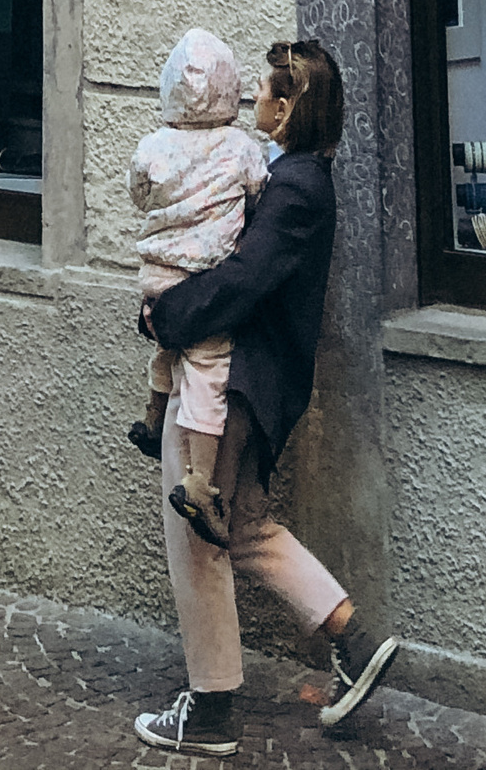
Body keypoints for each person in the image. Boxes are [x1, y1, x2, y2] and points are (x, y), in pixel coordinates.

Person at [132, 39, 401, 756]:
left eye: (265, 90)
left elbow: (243, 279)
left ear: (286, 110)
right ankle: (352, 637)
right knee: (242, 524)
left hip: (235, 380)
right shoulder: (287, 175)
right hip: (243, 378)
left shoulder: (296, 186)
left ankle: (211, 709)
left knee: (198, 532)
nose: (253, 96)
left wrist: (166, 313)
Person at [129, 29, 274, 544]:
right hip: (206, 285)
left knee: (166, 348)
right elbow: (258, 194)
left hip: (159, 280)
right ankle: (199, 482)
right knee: (207, 378)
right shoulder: (241, 148)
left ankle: (152, 418)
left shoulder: (153, 145)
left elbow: (139, 193)